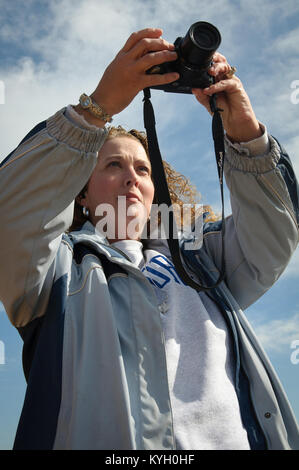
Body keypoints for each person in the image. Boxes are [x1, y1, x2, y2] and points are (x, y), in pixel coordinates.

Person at [0, 27, 298, 451]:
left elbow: (275, 235)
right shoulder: (54, 271)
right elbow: (12, 216)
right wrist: (95, 110)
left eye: (143, 170)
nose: (131, 179)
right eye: (113, 166)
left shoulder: (201, 259)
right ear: (81, 192)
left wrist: (246, 135)